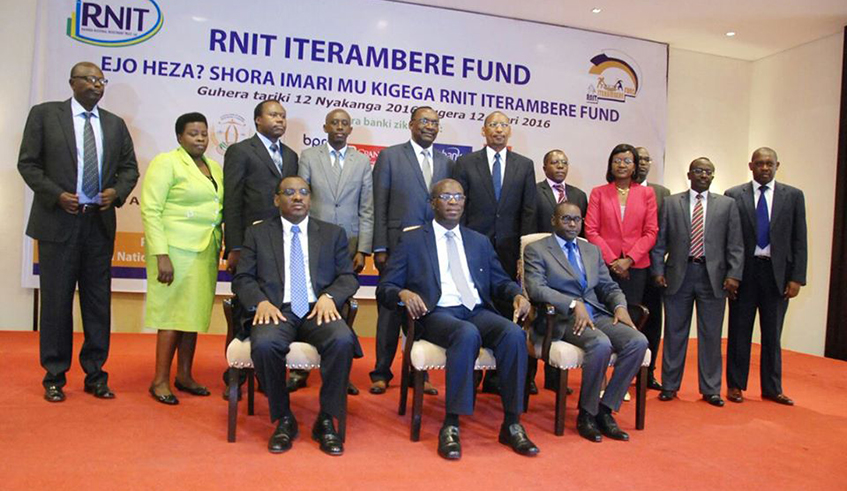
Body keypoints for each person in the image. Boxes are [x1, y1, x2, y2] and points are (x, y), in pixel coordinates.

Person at [377, 178, 539, 460]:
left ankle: (512, 422)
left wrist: (516, 295)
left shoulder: (478, 241)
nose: (453, 202)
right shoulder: (413, 240)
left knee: (513, 334)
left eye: (458, 197)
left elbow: (500, 281)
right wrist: (403, 293)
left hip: (476, 310)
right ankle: (451, 423)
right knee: (466, 333)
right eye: (445, 197)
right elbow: (386, 287)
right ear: (432, 203)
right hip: (436, 313)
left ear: (465, 203)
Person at [18, 61, 139, 402]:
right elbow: (28, 163)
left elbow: (129, 169)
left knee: (97, 302)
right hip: (58, 222)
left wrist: (116, 192)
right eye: (89, 79)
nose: (96, 85)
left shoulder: (114, 124)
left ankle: (96, 374)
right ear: (72, 83)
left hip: (97, 224)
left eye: (101, 80)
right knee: (56, 302)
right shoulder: (45, 115)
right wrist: (56, 195)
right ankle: (54, 376)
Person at [232, 176, 360, 455]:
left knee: (342, 340)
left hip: (318, 309)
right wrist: (260, 302)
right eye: (289, 192)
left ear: (310, 199)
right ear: (276, 199)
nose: (298, 197)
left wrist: (329, 297)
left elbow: (348, 278)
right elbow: (242, 279)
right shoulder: (257, 233)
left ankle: (326, 419)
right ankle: (284, 418)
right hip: (277, 310)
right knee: (265, 344)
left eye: (303, 192)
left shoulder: (332, 233)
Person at [524, 201, 648, 443]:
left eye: (577, 219)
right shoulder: (537, 249)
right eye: (566, 219)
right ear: (554, 221)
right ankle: (587, 414)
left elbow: (608, 286)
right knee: (600, 344)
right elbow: (536, 288)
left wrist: (620, 307)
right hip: (562, 318)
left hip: (597, 314)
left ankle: (605, 409)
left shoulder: (591, 250)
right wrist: (572, 304)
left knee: (638, 342)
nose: (572, 224)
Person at [140, 112, 223, 405]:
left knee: (192, 315)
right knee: (171, 315)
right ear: (179, 137)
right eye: (193, 133)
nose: (200, 139)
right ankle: (160, 380)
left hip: (206, 250)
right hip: (174, 251)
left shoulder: (214, 167)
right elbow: (151, 210)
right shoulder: (166, 162)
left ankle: (184, 375)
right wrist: (161, 254)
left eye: (203, 133)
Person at [370, 106, 452, 395]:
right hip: (396, 246)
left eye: (435, 122)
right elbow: (379, 203)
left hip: (430, 249)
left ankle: (419, 373)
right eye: (424, 121)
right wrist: (379, 246)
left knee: (423, 310)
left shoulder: (445, 162)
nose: (430, 126)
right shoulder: (390, 156)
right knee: (389, 312)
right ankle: (381, 372)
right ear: (411, 124)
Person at [453, 111, 536, 394]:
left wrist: (522, 254)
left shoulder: (524, 165)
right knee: (474, 305)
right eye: (493, 125)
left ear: (509, 131)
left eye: (503, 125)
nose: (498, 130)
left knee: (504, 308)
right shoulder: (466, 163)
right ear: (483, 130)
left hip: (509, 250)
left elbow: (528, 211)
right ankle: (472, 372)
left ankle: (497, 377)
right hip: (474, 248)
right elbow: (460, 208)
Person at [291, 108, 372, 396]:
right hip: (312, 240)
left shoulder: (362, 161)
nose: (339, 127)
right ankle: (300, 368)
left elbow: (367, 207)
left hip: (348, 243)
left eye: (344, 124)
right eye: (334, 123)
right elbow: (300, 197)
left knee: (341, 304)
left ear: (350, 130)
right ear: (325, 127)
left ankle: (339, 371)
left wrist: (363, 248)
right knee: (305, 299)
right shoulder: (309, 156)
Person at [651, 158, 744, 406]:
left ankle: (711, 389)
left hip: (713, 278)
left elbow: (735, 244)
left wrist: (734, 274)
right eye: (699, 171)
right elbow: (660, 242)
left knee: (711, 335)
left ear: (713, 176)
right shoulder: (671, 203)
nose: (704, 175)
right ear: (689, 174)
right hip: (678, 275)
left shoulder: (727, 205)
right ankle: (670, 385)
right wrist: (658, 270)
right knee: (674, 333)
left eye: (708, 172)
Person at [222, 99, 298, 396]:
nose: (279, 120)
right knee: (245, 307)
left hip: (282, 244)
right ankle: (237, 374)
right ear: (257, 120)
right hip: (249, 244)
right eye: (273, 115)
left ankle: (268, 375)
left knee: (277, 307)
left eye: (283, 116)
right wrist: (235, 246)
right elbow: (232, 200)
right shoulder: (241, 151)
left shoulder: (290, 155)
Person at [724, 147, 807, 405]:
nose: (764, 168)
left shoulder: (793, 196)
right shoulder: (733, 195)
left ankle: (772, 388)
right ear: (751, 166)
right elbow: (728, 239)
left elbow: (800, 239)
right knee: (739, 332)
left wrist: (797, 278)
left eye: (769, 164)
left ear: (777, 166)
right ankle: (735, 385)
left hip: (777, 276)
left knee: (772, 334)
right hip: (744, 274)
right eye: (759, 163)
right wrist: (730, 274)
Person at [584, 143, 658, 305]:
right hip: (604, 265)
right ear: (610, 166)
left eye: (627, 161)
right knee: (604, 311)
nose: (622, 165)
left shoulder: (647, 193)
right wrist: (613, 261)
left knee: (632, 311)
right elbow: (591, 230)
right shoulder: (598, 192)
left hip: (636, 267)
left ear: (635, 166)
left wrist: (629, 260)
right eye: (617, 161)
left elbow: (651, 232)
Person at [634, 146, 671, 390]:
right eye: (639, 159)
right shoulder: (617, 190)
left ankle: (648, 373)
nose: (643, 163)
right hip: (625, 267)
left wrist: (660, 268)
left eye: (647, 159)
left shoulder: (662, 193)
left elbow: (665, 232)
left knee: (654, 321)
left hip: (653, 268)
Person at [536, 149, 588, 233]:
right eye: (554, 162)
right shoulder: (534, 191)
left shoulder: (579, 195)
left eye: (564, 163)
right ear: (544, 169)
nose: (560, 166)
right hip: (543, 240)